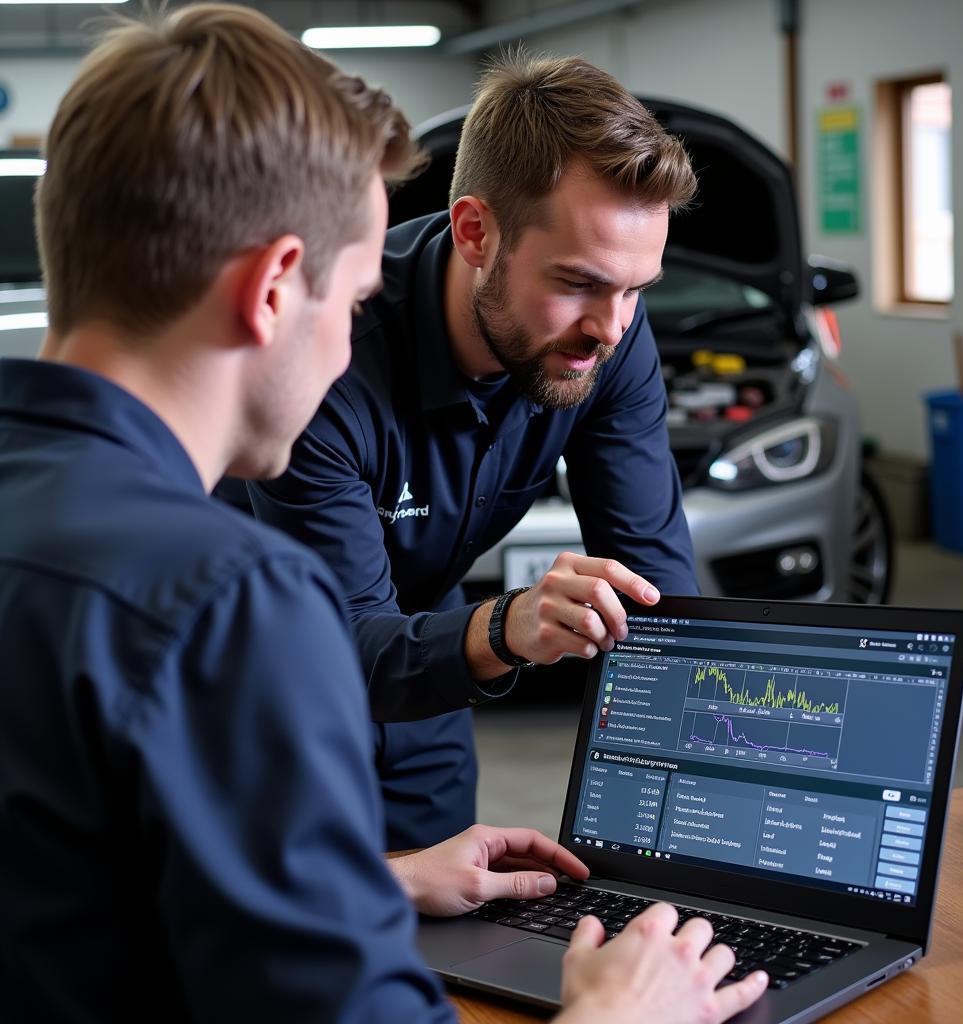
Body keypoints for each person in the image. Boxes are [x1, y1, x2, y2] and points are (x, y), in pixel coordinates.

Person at [0, 5, 768, 1022]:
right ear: (278, 287)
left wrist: (378, 883)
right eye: (353, 289)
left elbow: (99, 892)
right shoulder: (230, 605)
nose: (346, 336)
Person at [250, 51, 701, 851]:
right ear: (475, 232)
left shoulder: (609, 339)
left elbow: (659, 588)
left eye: (636, 288)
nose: (612, 325)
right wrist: (504, 628)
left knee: (451, 950)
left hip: (427, 692)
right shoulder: (327, 359)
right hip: (267, 700)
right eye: (579, 281)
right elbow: (339, 640)